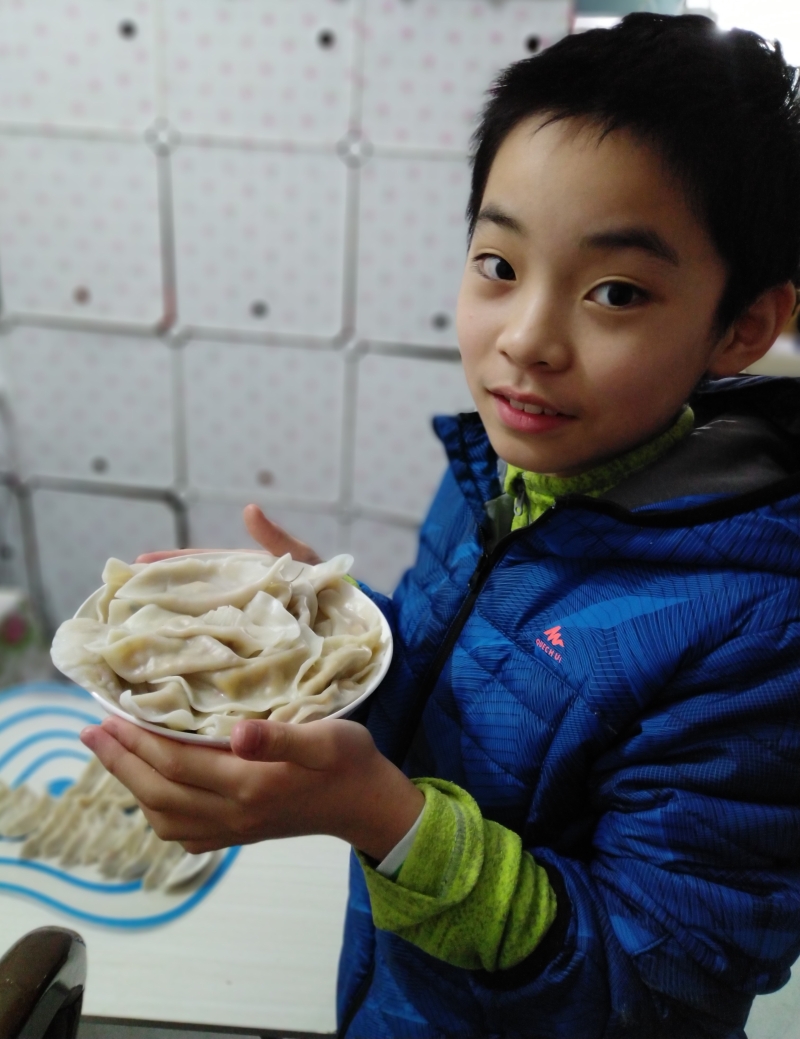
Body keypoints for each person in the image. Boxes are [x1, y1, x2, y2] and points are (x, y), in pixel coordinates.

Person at [80, 13, 800, 1038]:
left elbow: (661, 982)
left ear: (740, 327)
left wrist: (382, 820)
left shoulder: (761, 631)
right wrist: (316, 630)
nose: (525, 340)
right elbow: (467, 682)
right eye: (498, 266)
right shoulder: (499, 473)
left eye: (614, 292)